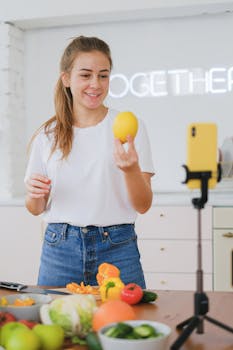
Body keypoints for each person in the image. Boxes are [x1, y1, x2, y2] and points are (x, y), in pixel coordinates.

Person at [25, 35, 155, 288]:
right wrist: (35, 193)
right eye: (85, 75)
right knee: (56, 323)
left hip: (118, 246)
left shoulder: (126, 127)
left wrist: (130, 170)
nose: (95, 84)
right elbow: (35, 207)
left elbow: (143, 205)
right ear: (67, 79)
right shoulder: (48, 134)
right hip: (59, 247)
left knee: (125, 324)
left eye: (103, 75)